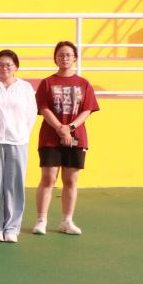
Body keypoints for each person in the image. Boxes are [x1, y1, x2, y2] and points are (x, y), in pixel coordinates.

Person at [34, 41, 99, 236]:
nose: (64, 58)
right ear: (55, 58)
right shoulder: (47, 83)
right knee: (48, 178)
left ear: (75, 58)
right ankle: (41, 220)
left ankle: (67, 221)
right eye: (60, 55)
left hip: (76, 137)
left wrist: (70, 128)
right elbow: (43, 108)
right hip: (50, 137)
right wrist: (60, 129)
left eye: (68, 55)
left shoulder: (84, 83)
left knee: (70, 180)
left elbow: (87, 110)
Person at [0, 50, 37, 242]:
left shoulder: (25, 88)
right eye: (0, 65)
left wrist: (22, 134)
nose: (4, 68)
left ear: (16, 67)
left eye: (8, 65)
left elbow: (31, 115)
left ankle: (12, 227)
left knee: (14, 184)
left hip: (17, 141)